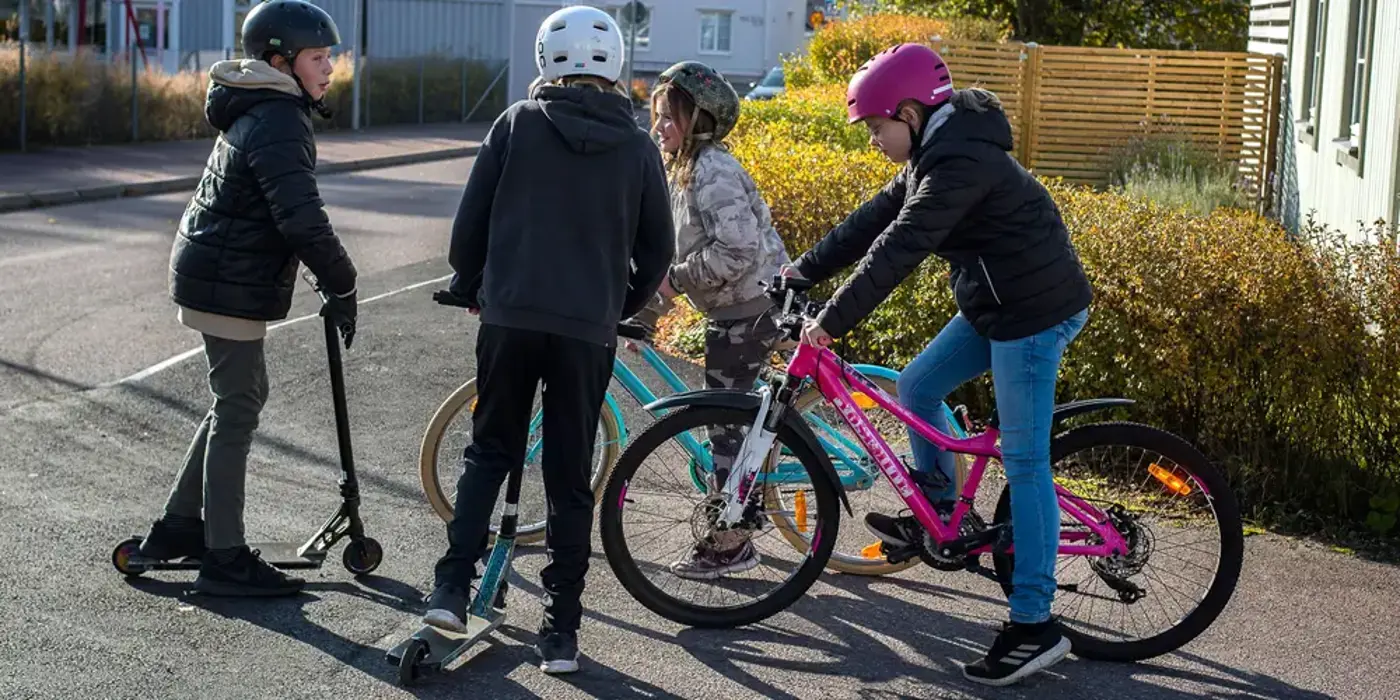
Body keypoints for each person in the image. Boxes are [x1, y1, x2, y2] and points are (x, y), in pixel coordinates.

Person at [784, 43, 1093, 687]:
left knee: (1027, 461)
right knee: (920, 385)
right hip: (996, 305)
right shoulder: (936, 152)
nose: (873, 140)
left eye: (876, 128)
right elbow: (873, 219)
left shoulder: (959, 164)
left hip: (1033, 314)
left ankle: (1034, 625)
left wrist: (831, 321)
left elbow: (900, 248)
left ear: (910, 113)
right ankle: (944, 506)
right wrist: (802, 271)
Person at [419, 5, 674, 675]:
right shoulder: (640, 145)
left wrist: (473, 284)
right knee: (569, 477)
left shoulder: (516, 125)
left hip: (510, 316)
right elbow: (657, 253)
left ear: (544, 62)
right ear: (615, 66)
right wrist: (615, 304)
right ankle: (560, 632)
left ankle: (450, 588)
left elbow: (467, 229)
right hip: (586, 330)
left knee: (491, 450)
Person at [136, 0, 359, 598]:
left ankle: (180, 526)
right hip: (224, 281)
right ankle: (225, 558)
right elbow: (302, 220)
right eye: (318, 57)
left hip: (216, 272)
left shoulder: (268, 107)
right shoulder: (280, 118)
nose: (329, 67)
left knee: (240, 395)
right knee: (237, 405)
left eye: (329, 56)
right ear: (279, 60)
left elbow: (283, 213)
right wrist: (343, 282)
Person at [637, 61, 792, 581]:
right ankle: (741, 514)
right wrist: (653, 304)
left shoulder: (713, 169)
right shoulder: (685, 169)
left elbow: (738, 249)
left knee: (724, 428)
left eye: (669, 118)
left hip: (749, 309)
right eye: (657, 116)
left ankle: (730, 542)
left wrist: (673, 283)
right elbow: (679, 252)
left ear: (699, 121)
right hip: (733, 308)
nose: (659, 127)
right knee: (727, 421)